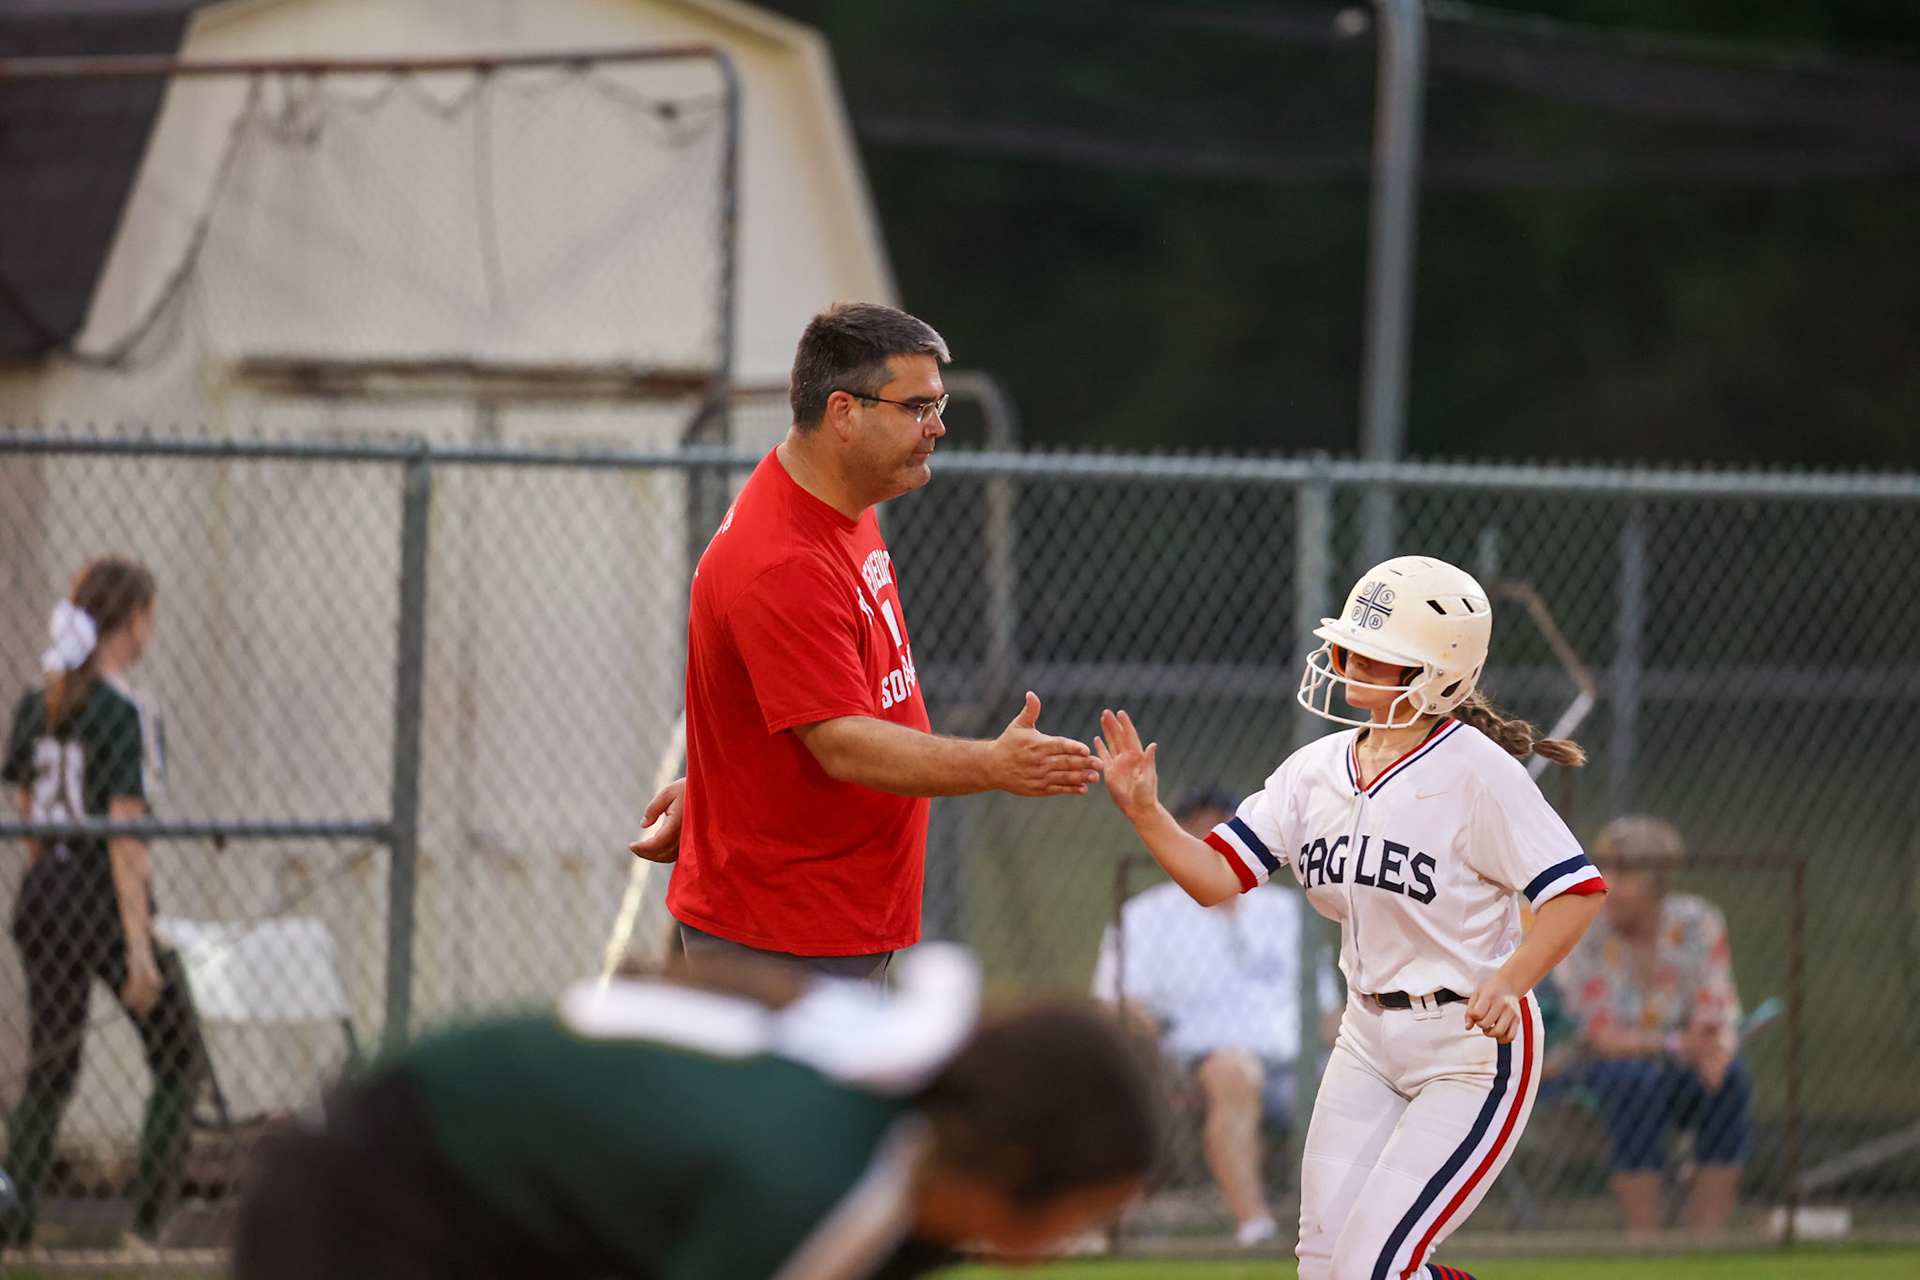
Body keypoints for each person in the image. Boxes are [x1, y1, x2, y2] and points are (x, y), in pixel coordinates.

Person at [1095, 555, 1608, 1280]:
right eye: (1346, 648)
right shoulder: (1316, 769)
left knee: (1376, 1266)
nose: (1345, 663)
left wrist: (1513, 977)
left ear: (1434, 673)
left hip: (1468, 1046)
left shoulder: (1477, 771)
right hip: (1367, 1038)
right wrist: (1147, 814)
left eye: (1373, 654)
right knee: (1324, 1268)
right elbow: (1216, 878)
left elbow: (1576, 891)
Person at [630, 303, 1099, 981]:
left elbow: (785, 695)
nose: (937, 427)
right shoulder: (784, 560)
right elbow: (842, 740)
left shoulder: (837, 502)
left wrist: (720, 788)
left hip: (821, 919)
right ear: (844, 413)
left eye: (938, 405)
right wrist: (995, 765)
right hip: (782, 936)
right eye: (917, 407)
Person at [232, 945, 1160, 1280]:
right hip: (368, 1197)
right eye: (1088, 1213)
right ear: (1007, 1175)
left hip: (488, 1216)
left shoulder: (905, 1136)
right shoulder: (816, 1189)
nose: (1087, 1237)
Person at [1, 557, 205, 1248]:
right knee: (179, 1055)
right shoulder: (126, 710)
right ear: (133, 622)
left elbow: (25, 800)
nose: (152, 630)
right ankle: (146, 1229)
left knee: (52, 1067)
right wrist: (138, 947)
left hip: (42, 894)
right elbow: (125, 834)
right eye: (149, 617)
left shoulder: (42, 697)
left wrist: (48, 875)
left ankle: (13, 1227)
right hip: (98, 896)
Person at [1091, 787, 1338, 1248]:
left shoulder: (1285, 911)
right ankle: (1257, 1225)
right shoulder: (1147, 914)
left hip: (1293, 1061)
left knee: (1360, 1081)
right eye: (1196, 826)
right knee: (1232, 1072)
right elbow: (1115, 1001)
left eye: (1221, 825)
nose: (1208, 836)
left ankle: (1353, 1229)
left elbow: (1328, 1010)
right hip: (1194, 1061)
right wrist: (1154, 1033)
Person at [1554, 815, 1749, 1236]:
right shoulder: (1583, 926)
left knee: (1729, 1080)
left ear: (1657, 881)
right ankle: (1644, 1242)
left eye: (1623, 873)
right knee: (1633, 1083)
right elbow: (1599, 1036)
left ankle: (1706, 1240)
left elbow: (1718, 1005)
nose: (1607, 882)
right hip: (1593, 1067)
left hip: (1682, 1061)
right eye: (1603, 868)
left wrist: (1717, 1050)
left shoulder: (1699, 921)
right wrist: (1680, 1045)